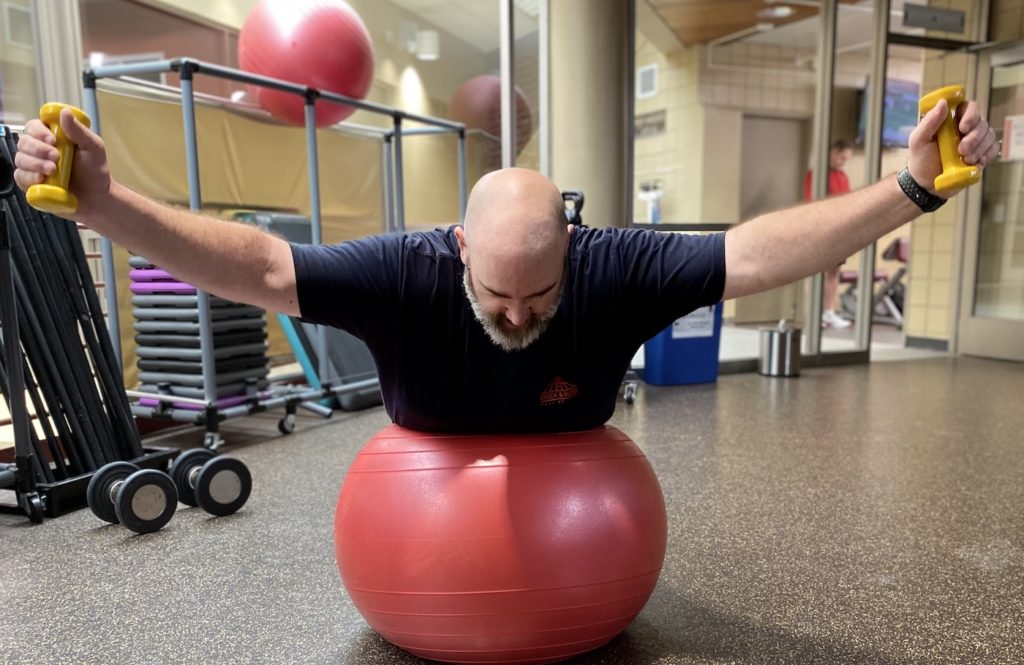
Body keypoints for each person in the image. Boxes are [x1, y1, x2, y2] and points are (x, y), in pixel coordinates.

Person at [13, 99, 998, 433]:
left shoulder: (610, 265)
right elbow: (265, 269)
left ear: (572, 245)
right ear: (457, 253)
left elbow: (749, 255)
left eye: (540, 293)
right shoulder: (405, 271)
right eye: (496, 293)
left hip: (578, 482)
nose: (520, 313)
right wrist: (103, 204)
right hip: (426, 490)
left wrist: (910, 189)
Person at [803, 138, 855, 329]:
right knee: (817, 272)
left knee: (833, 271)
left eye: (846, 159)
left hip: (839, 231)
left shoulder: (842, 176)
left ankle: (829, 312)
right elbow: (812, 203)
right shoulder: (816, 175)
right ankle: (814, 313)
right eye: (841, 158)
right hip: (820, 230)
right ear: (832, 153)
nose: (843, 162)